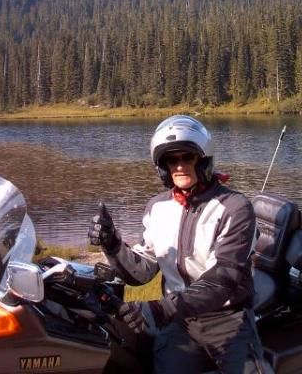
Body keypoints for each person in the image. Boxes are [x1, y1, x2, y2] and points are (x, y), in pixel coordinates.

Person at [88, 115, 269, 373]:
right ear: (163, 166)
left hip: (227, 320)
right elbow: (142, 271)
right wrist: (112, 244)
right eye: (172, 160)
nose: (180, 166)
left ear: (203, 159)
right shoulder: (157, 207)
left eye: (187, 157)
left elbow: (222, 279)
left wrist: (159, 310)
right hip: (180, 324)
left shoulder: (234, 208)